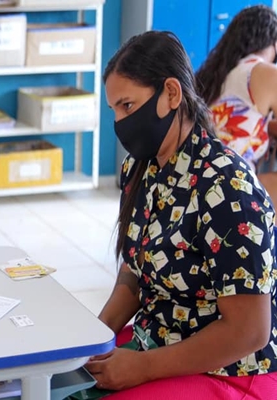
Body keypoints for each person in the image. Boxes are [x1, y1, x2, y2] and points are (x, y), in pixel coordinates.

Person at [82, 31, 277, 399]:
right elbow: (135, 270)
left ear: (171, 93)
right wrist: (95, 336)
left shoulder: (227, 186)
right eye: (114, 111)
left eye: (127, 106)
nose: (120, 124)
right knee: (62, 386)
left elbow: (250, 331)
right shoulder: (142, 170)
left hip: (231, 368)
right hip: (159, 338)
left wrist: (141, 367)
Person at [195, 5, 277, 200]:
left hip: (199, 180)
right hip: (230, 189)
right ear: (273, 43)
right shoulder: (265, 72)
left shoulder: (218, 74)